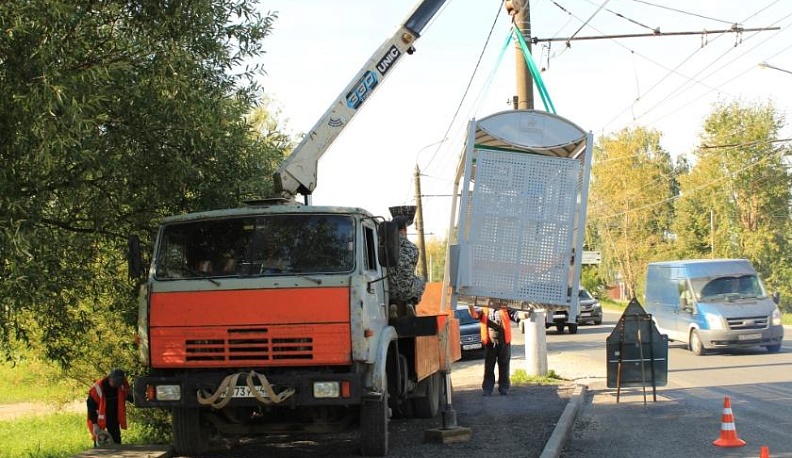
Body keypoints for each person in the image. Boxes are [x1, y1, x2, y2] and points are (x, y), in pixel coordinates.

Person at [469, 301, 522, 396]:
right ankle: (487, 389)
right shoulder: (483, 309)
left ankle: (504, 388)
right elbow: (475, 314)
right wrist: (470, 306)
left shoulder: (505, 308)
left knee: (504, 366)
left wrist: (525, 315)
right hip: (490, 344)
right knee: (489, 367)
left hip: (504, 343)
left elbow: (516, 315)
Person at [388, 216, 426, 317]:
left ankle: (393, 304)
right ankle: (411, 302)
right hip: (407, 291)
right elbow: (411, 268)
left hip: (390, 290)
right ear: (405, 229)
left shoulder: (386, 247)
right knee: (421, 279)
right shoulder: (413, 248)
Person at [86, 368, 133, 447]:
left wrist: (137, 397)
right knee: (100, 442)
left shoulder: (122, 385)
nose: (116, 385)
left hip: (113, 418)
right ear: (109, 378)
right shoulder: (97, 388)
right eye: (114, 383)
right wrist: (94, 424)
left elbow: (129, 397)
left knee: (116, 441)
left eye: (118, 383)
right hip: (99, 419)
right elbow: (90, 407)